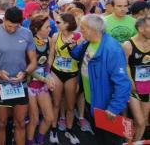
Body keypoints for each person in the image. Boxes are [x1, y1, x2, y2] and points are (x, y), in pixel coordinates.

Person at [70, 14, 131, 145]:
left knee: (110, 140)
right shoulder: (88, 42)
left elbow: (123, 83)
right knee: (98, 137)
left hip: (106, 105)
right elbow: (76, 55)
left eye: (83, 28)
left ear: (93, 30)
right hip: (91, 101)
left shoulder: (112, 49)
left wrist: (114, 108)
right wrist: (72, 46)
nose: (80, 31)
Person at [0, 7, 37, 145]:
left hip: (20, 84)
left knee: (20, 123)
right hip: (1, 84)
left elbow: (33, 62)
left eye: (16, 26)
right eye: (9, 26)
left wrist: (25, 73)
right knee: (2, 123)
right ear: (4, 20)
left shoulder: (26, 34)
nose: (13, 29)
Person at [49, 13, 81, 144]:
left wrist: (74, 47)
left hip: (72, 74)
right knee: (56, 103)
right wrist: (48, 72)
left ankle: (69, 130)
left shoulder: (78, 37)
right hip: (57, 72)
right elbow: (51, 55)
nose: (56, 25)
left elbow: (80, 57)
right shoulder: (56, 36)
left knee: (70, 105)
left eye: (59, 22)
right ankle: (53, 129)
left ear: (67, 24)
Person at [26, 14, 55, 145]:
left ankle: (40, 138)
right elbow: (28, 68)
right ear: (38, 28)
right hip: (30, 85)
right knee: (34, 119)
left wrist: (48, 75)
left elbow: (49, 60)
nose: (50, 29)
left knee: (49, 117)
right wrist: (45, 79)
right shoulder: (30, 42)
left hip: (42, 84)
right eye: (47, 27)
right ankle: (30, 140)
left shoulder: (50, 40)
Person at [122, 17, 150, 141]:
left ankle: (136, 142)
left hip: (147, 86)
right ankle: (129, 141)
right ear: (141, 29)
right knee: (137, 119)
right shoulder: (128, 45)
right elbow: (124, 64)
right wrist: (130, 80)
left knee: (143, 120)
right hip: (133, 86)